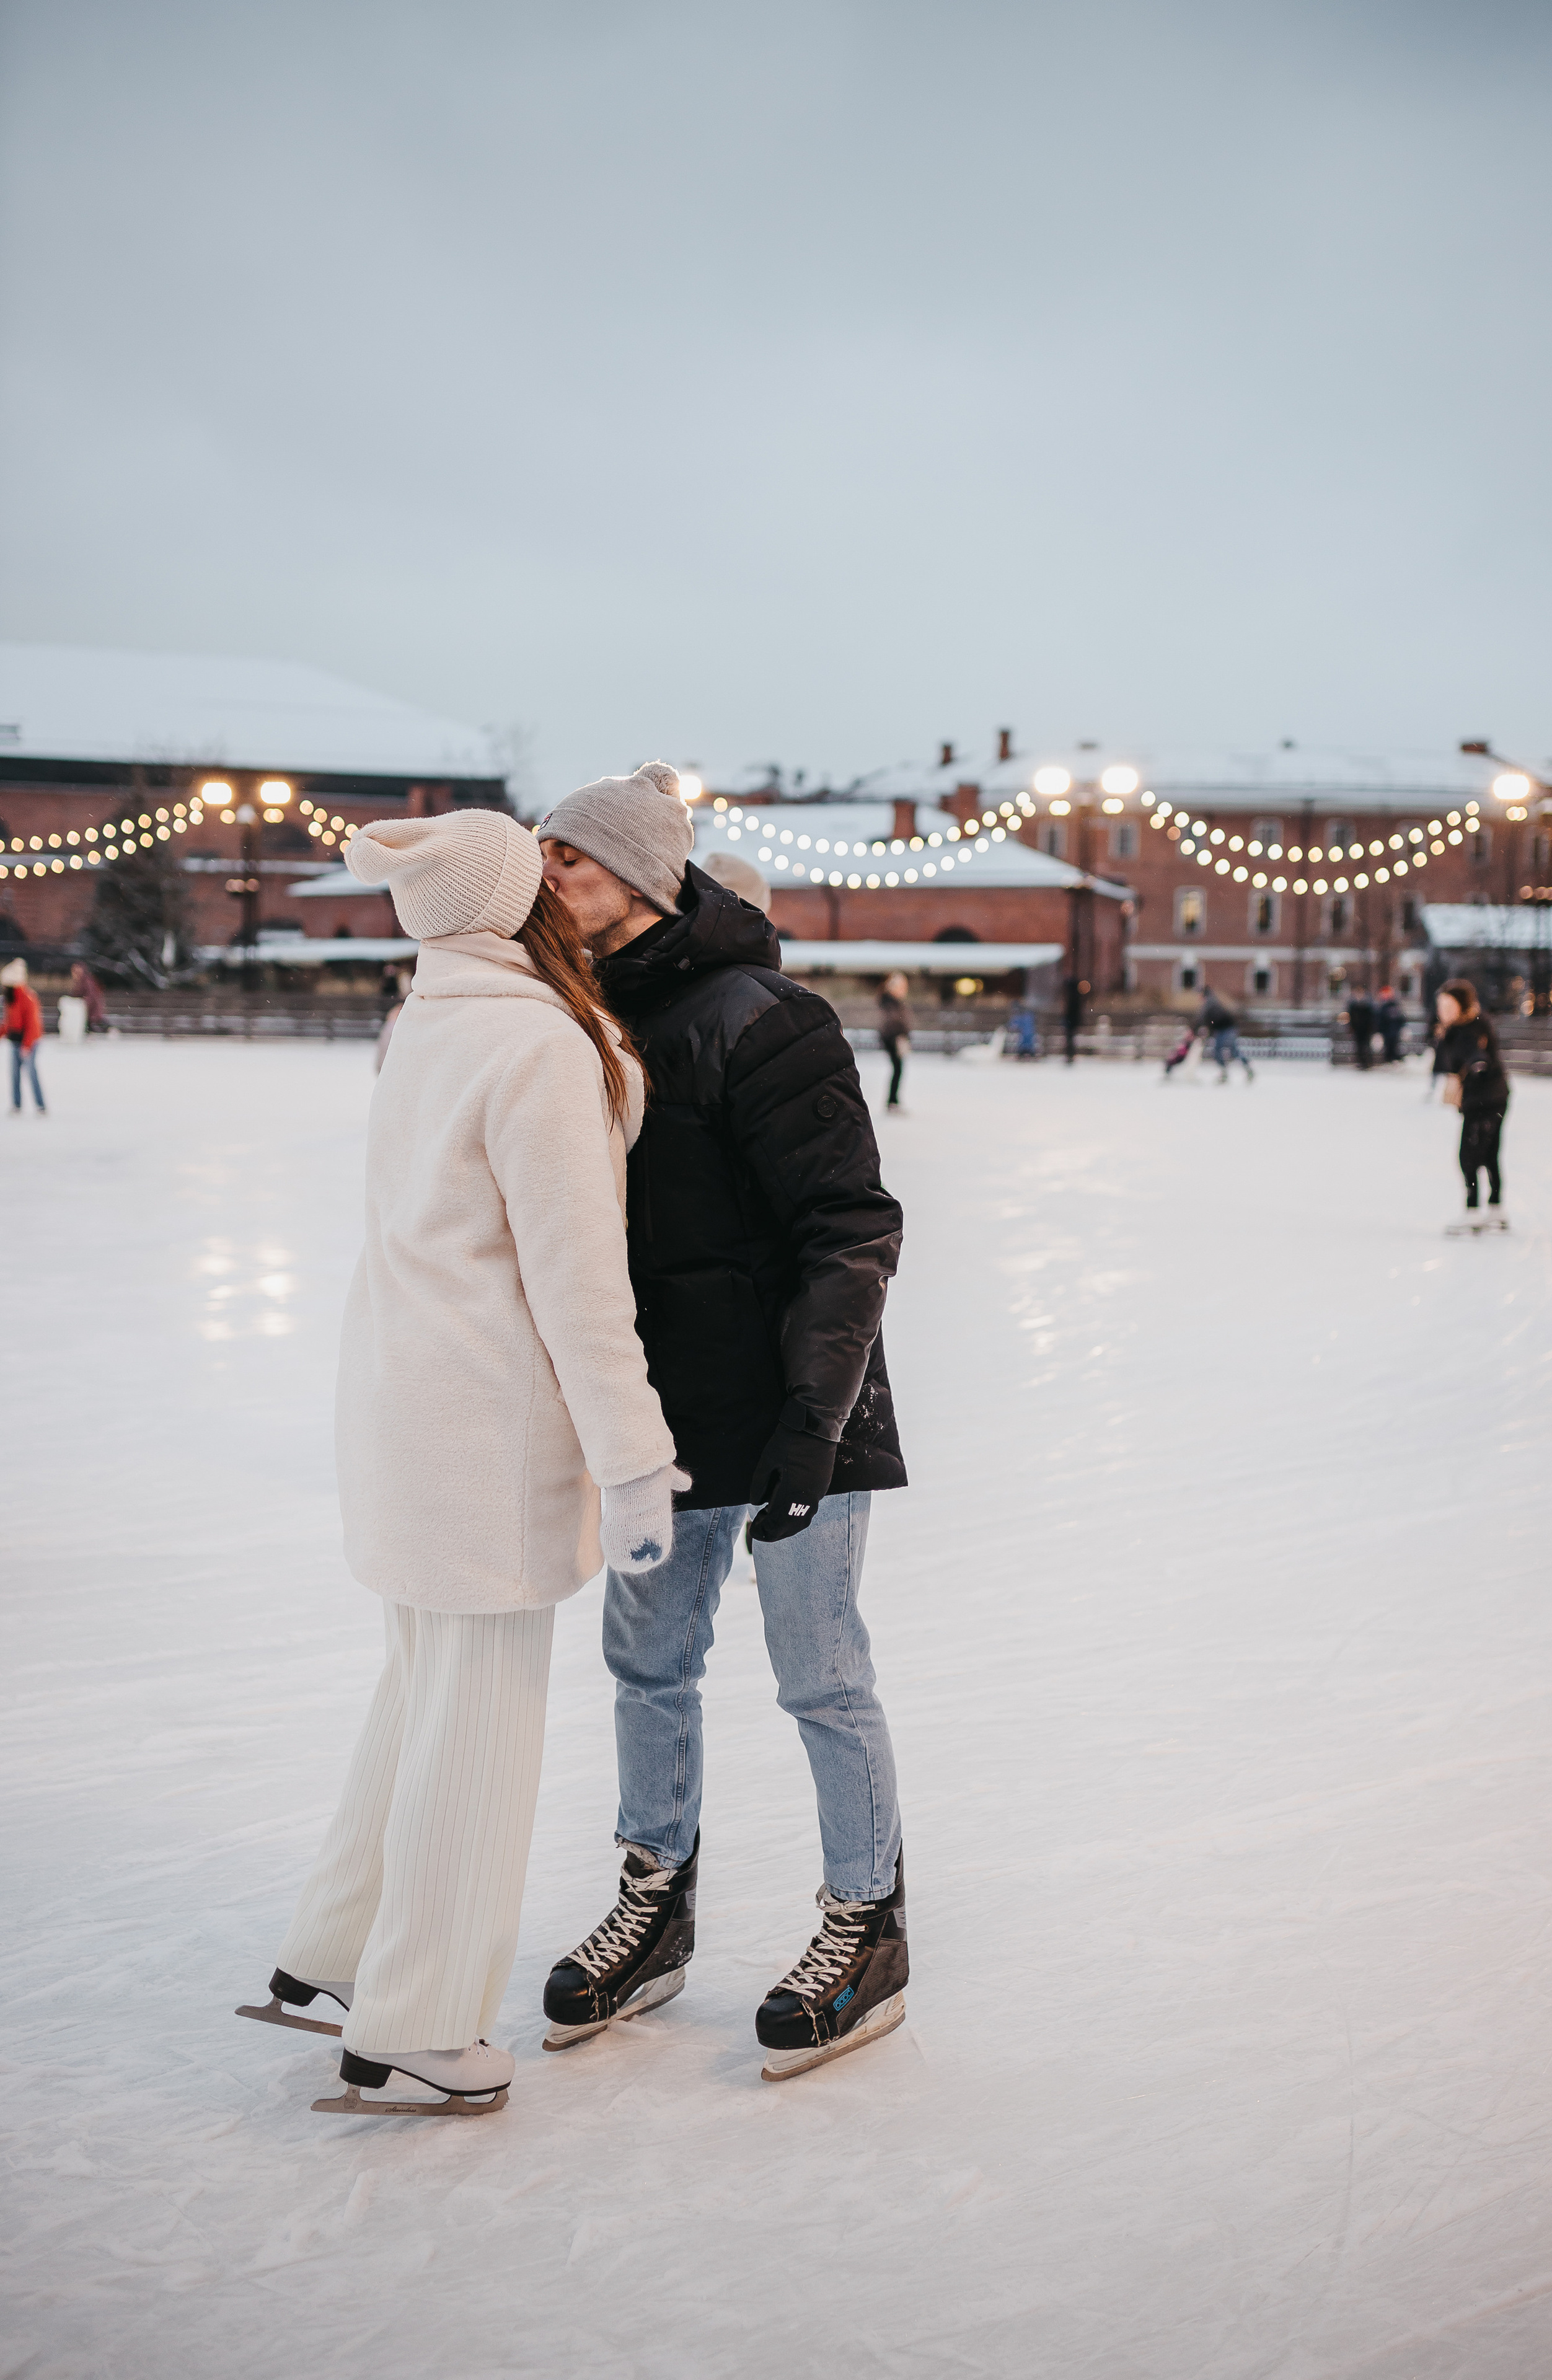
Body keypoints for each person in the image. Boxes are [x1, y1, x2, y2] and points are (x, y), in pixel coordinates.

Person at [237, 808, 681, 2117]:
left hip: (397, 1410)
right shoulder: (538, 1046)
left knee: (417, 1693)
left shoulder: (423, 1022)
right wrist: (634, 1459)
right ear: (513, 906)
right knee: (476, 1727)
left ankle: (331, 1953)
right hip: (481, 1435)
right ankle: (420, 2021)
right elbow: (577, 1283)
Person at [535, 762, 909, 2082]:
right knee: (646, 1669)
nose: (545, 881)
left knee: (817, 1676)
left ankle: (865, 1925)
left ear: (636, 878)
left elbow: (849, 1228)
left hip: (799, 1413)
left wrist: (812, 1428)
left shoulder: (768, 1017)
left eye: (566, 862)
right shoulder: (577, 1021)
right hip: (663, 1425)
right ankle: (658, 1901)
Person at [1431, 977, 1509, 1235]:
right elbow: (1447, 1061)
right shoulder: (1459, 1027)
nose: (1443, 1010)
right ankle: (1496, 1208)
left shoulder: (1472, 1028)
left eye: (1448, 1005)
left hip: (1485, 1099)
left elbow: (1477, 1053)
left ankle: (1473, 1210)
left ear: (1461, 1006)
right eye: (1441, 1005)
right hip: (1493, 1097)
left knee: (1469, 1156)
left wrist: (1478, 1066)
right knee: (1487, 1154)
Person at [2, 959, 46, 1116]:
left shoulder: (28, 997)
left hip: (29, 1041)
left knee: (31, 1073)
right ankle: (17, 1104)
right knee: (14, 1074)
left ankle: (41, 1105)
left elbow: (33, 1025)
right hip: (15, 1041)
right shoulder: (10, 999)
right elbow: (10, 1023)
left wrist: (27, 1046)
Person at [1195, 987, 1254, 1084]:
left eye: (1199, 995)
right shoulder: (1212, 1002)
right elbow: (1209, 1021)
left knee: (1222, 1051)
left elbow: (1203, 1019)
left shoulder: (1209, 1003)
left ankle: (1227, 1073)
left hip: (1226, 1029)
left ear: (1203, 995)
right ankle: (1245, 1070)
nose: (1198, 997)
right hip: (1224, 1029)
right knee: (1230, 1051)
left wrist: (1196, 1030)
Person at [877, 970, 913, 1109]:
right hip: (893, 1038)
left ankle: (893, 1100)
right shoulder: (890, 1002)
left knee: (898, 1069)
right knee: (898, 1069)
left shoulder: (894, 1002)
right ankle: (892, 1101)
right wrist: (900, 1034)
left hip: (896, 1037)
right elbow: (894, 1021)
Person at [68, 961, 107, 1032]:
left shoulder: (87, 981)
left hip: (91, 1014)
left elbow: (91, 996)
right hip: (88, 1014)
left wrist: (82, 1004)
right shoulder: (80, 983)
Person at [1346, 986, 1377, 1069]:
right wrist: (1351, 1027)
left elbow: (1372, 1017)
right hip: (1358, 1029)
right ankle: (1361, 1061)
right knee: (1359, 1046)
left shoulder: (1368, 1005)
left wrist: (1371, 1027)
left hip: (1366, 1029)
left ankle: (1368, 1062)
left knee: (1366, 1045)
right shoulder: (1353, 1005)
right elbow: (1351, 1017)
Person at [1375, 984, 1404, 1064]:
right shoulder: (1382, 1007)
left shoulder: (1394, 1005)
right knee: (1388, 1047)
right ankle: (1389, 1060)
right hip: (1387, 1031)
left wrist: (1402, 1028)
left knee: (1394, 1047)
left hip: (1394, 1031)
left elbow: (1401, 1018)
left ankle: (1393, 1060)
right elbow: (1380, 1020)